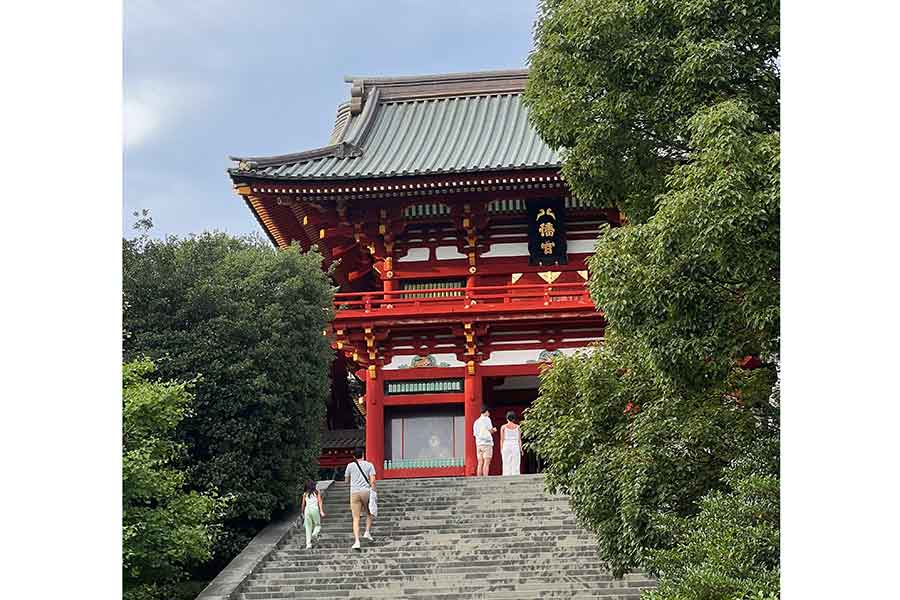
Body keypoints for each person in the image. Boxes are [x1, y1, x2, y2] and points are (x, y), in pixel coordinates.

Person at [345, 446, 376, 550]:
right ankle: (367, 532)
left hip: (354, 492)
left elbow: (346, 480)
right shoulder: (369, 465)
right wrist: (373, 491)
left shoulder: (350, 466)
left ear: (354, 456)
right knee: (369, 512)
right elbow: (373, 481)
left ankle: (357, 541)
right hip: (366, 491)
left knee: (356, 518)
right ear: (363, 454)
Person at [300, 479, 325, 549]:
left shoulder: (305, 494)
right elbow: (320, 501)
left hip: (307, 510)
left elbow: (303, 505)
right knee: (317, 525)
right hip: (315, 509)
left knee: (308, 527)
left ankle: (308, 544)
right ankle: (314, 534)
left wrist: (302, 512)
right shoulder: (316, 492)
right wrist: (321, 511)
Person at [473, 406, 497, 476]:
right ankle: (485, 478)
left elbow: (475, 434)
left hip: (479, 444)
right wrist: (494, 430)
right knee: (487, 462)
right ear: (486, 412)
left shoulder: (476, 422)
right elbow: (490, 430)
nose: (489, 413)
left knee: (480, 462)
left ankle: (478, 478)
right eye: (488, 412)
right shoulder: (487, 419)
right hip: (487, 443)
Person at [500, 411, 523, 476]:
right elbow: (519, 439)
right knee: (516, 461)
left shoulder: (503, 427)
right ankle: (515, 474)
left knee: (506, 461)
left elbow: (502, 439)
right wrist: (521, 448)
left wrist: (501, 448)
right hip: (515, 444)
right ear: (514, 419)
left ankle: (506, 474)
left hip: (506, 444)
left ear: (507, 418)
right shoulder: (518, 427)